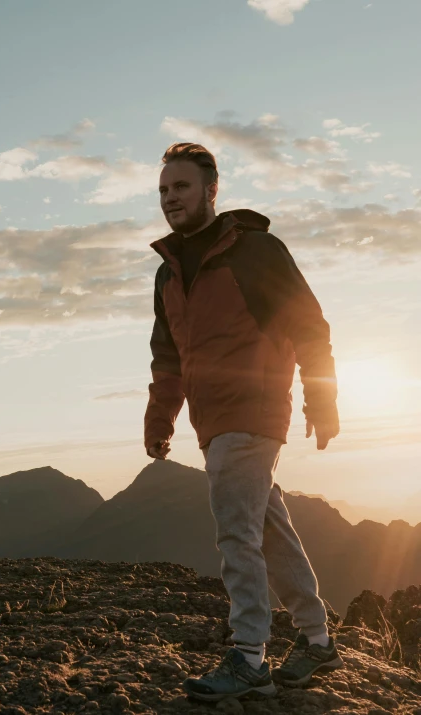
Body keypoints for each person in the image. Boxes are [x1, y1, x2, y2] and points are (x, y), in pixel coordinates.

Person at [143, 142, 343, 701]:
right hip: (212, 422)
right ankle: (318, 641)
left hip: (254, 412)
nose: (170, 198)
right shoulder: (168, 274)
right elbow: (168, 356)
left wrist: (321, 402)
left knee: (235, 531)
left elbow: (308, 325)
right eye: (163, 190)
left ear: (211, 190)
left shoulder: (255, 251)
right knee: (265, 527)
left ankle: (249, 654)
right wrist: (161, 419)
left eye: (181, 187)